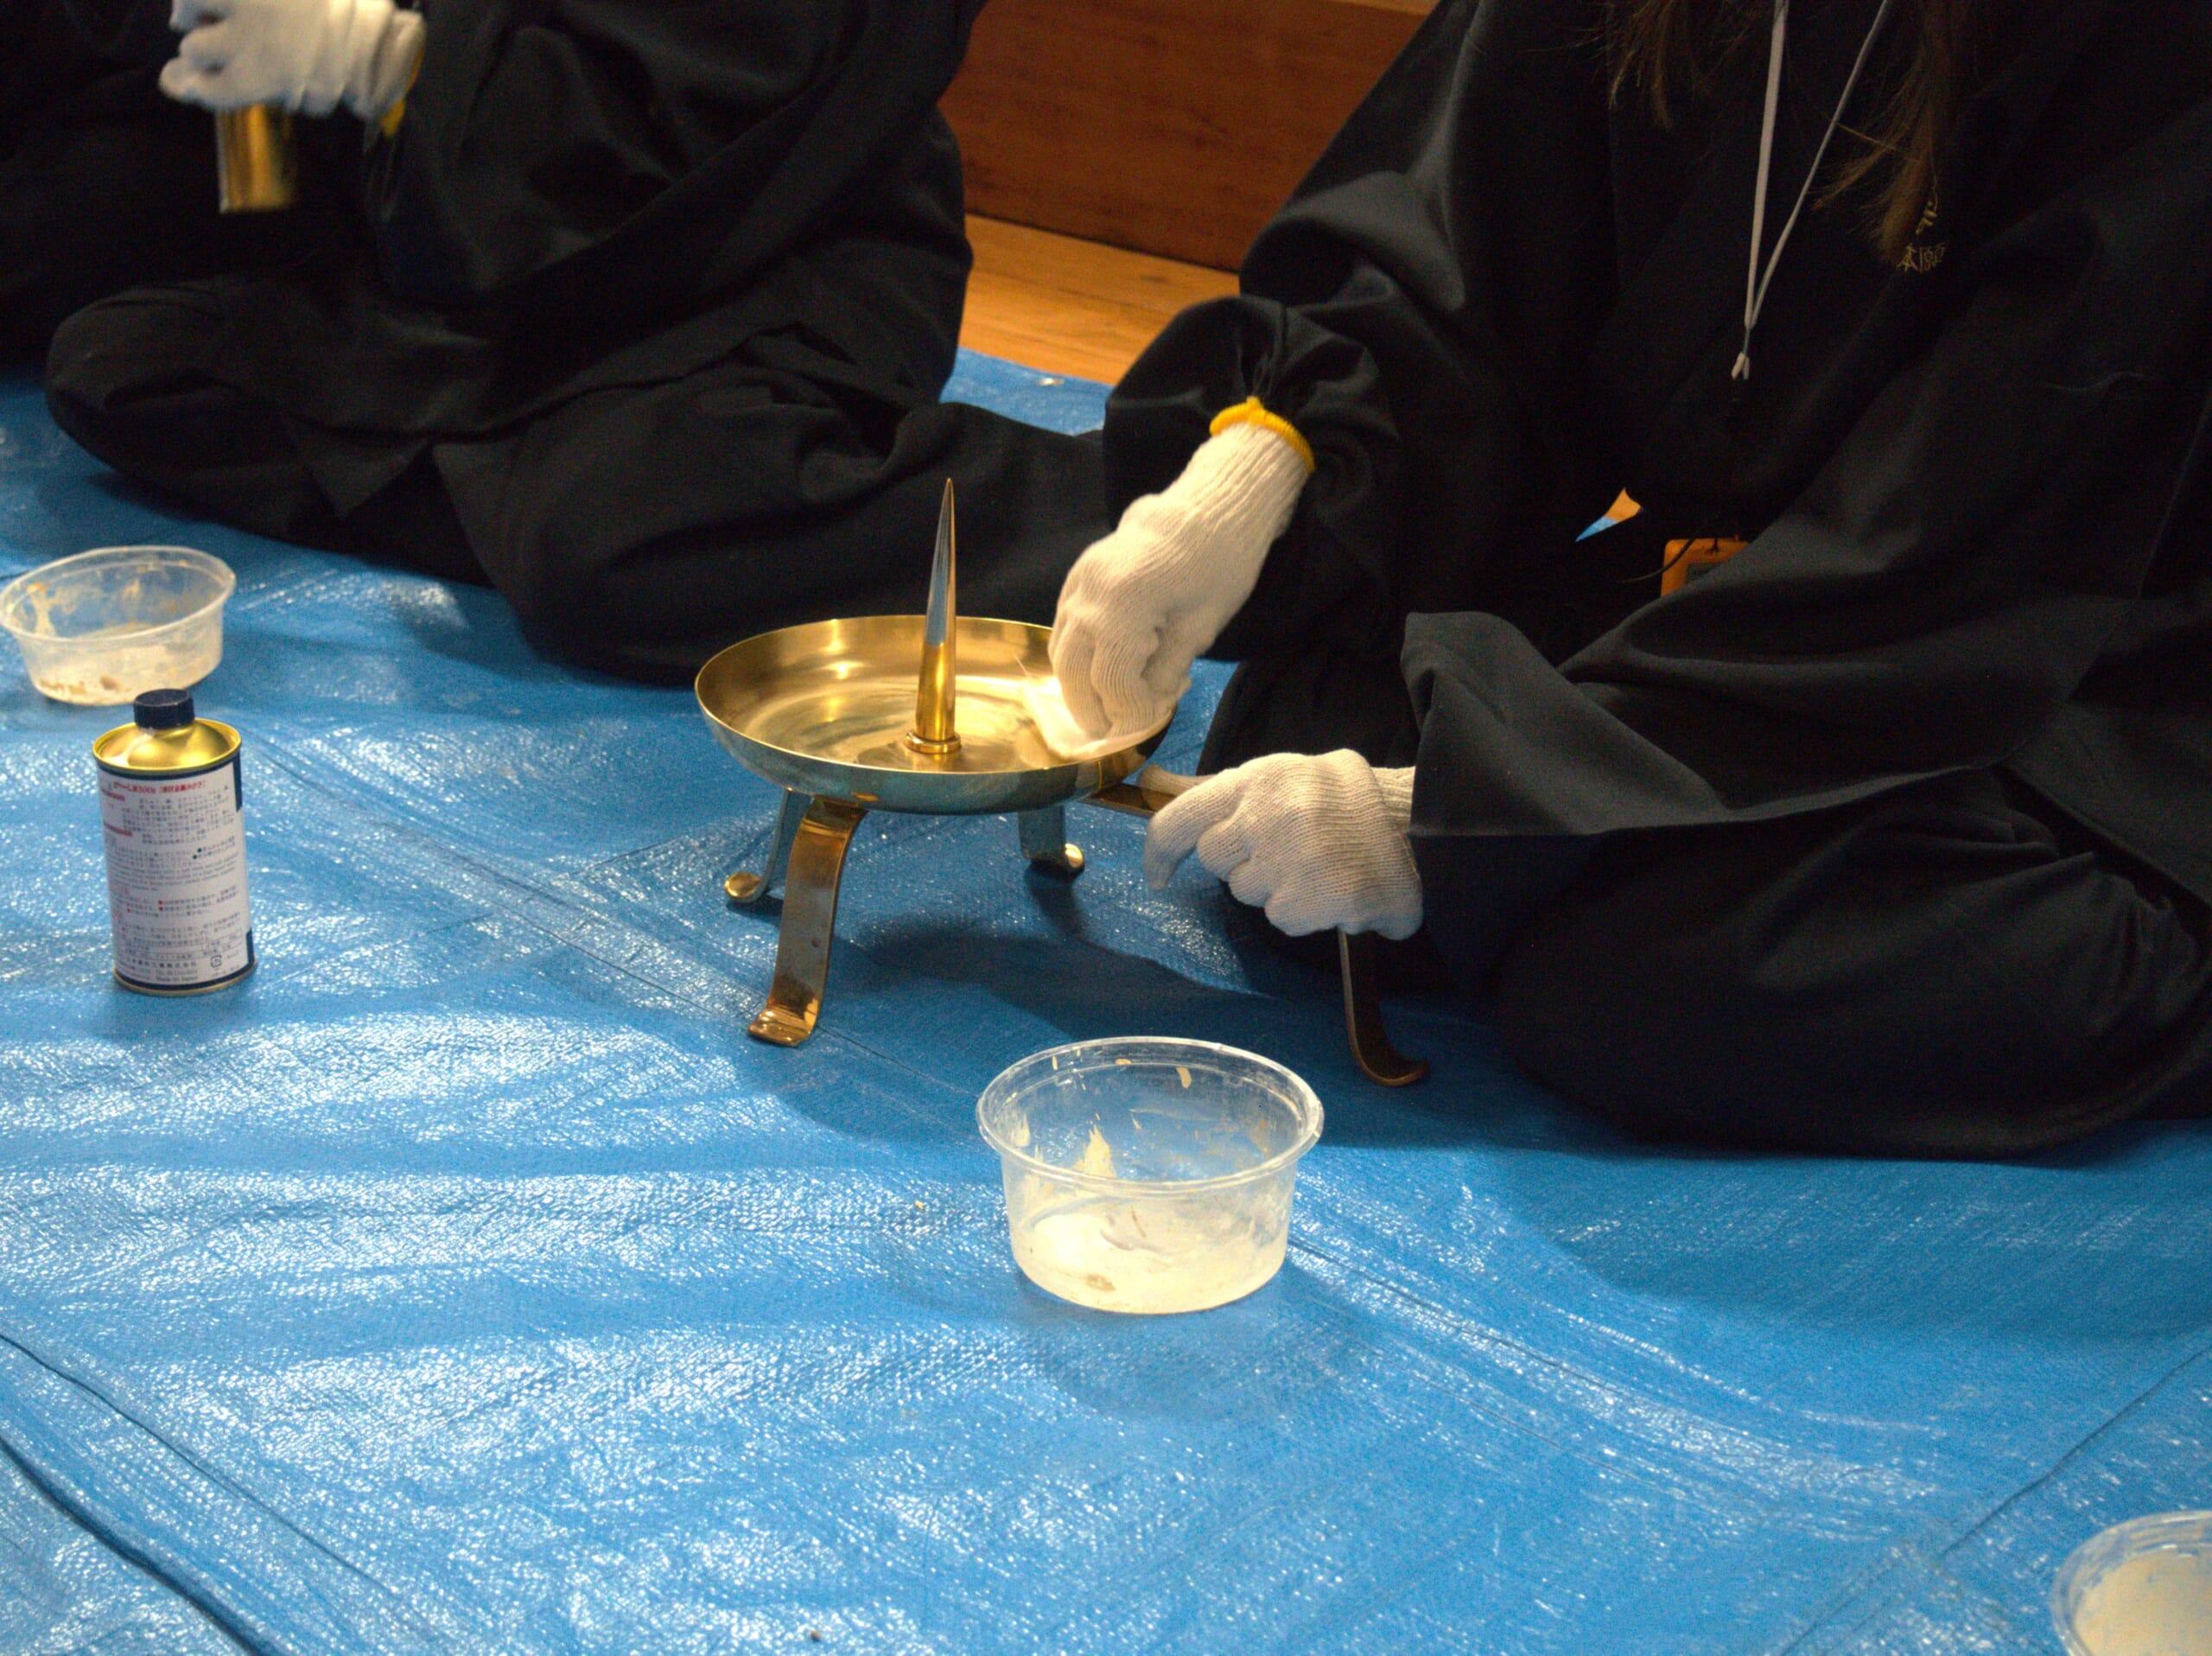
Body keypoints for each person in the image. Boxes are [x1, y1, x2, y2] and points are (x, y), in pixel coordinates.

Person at [1052, 0, 2212, 1156]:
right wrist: (1254, 479)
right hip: (1759, 591)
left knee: (1639, 989)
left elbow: (1974, 533)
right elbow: (1473, 252)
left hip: (2094, 655)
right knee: (1291, 743)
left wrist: (1462, 815)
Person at [40, 0, 1105, 678]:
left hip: (757, 256)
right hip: (501, 267)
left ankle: (1122, 514)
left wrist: (380, 59)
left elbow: (654, 118)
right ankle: (525, 483)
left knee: (608, 548)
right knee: (124, 363)